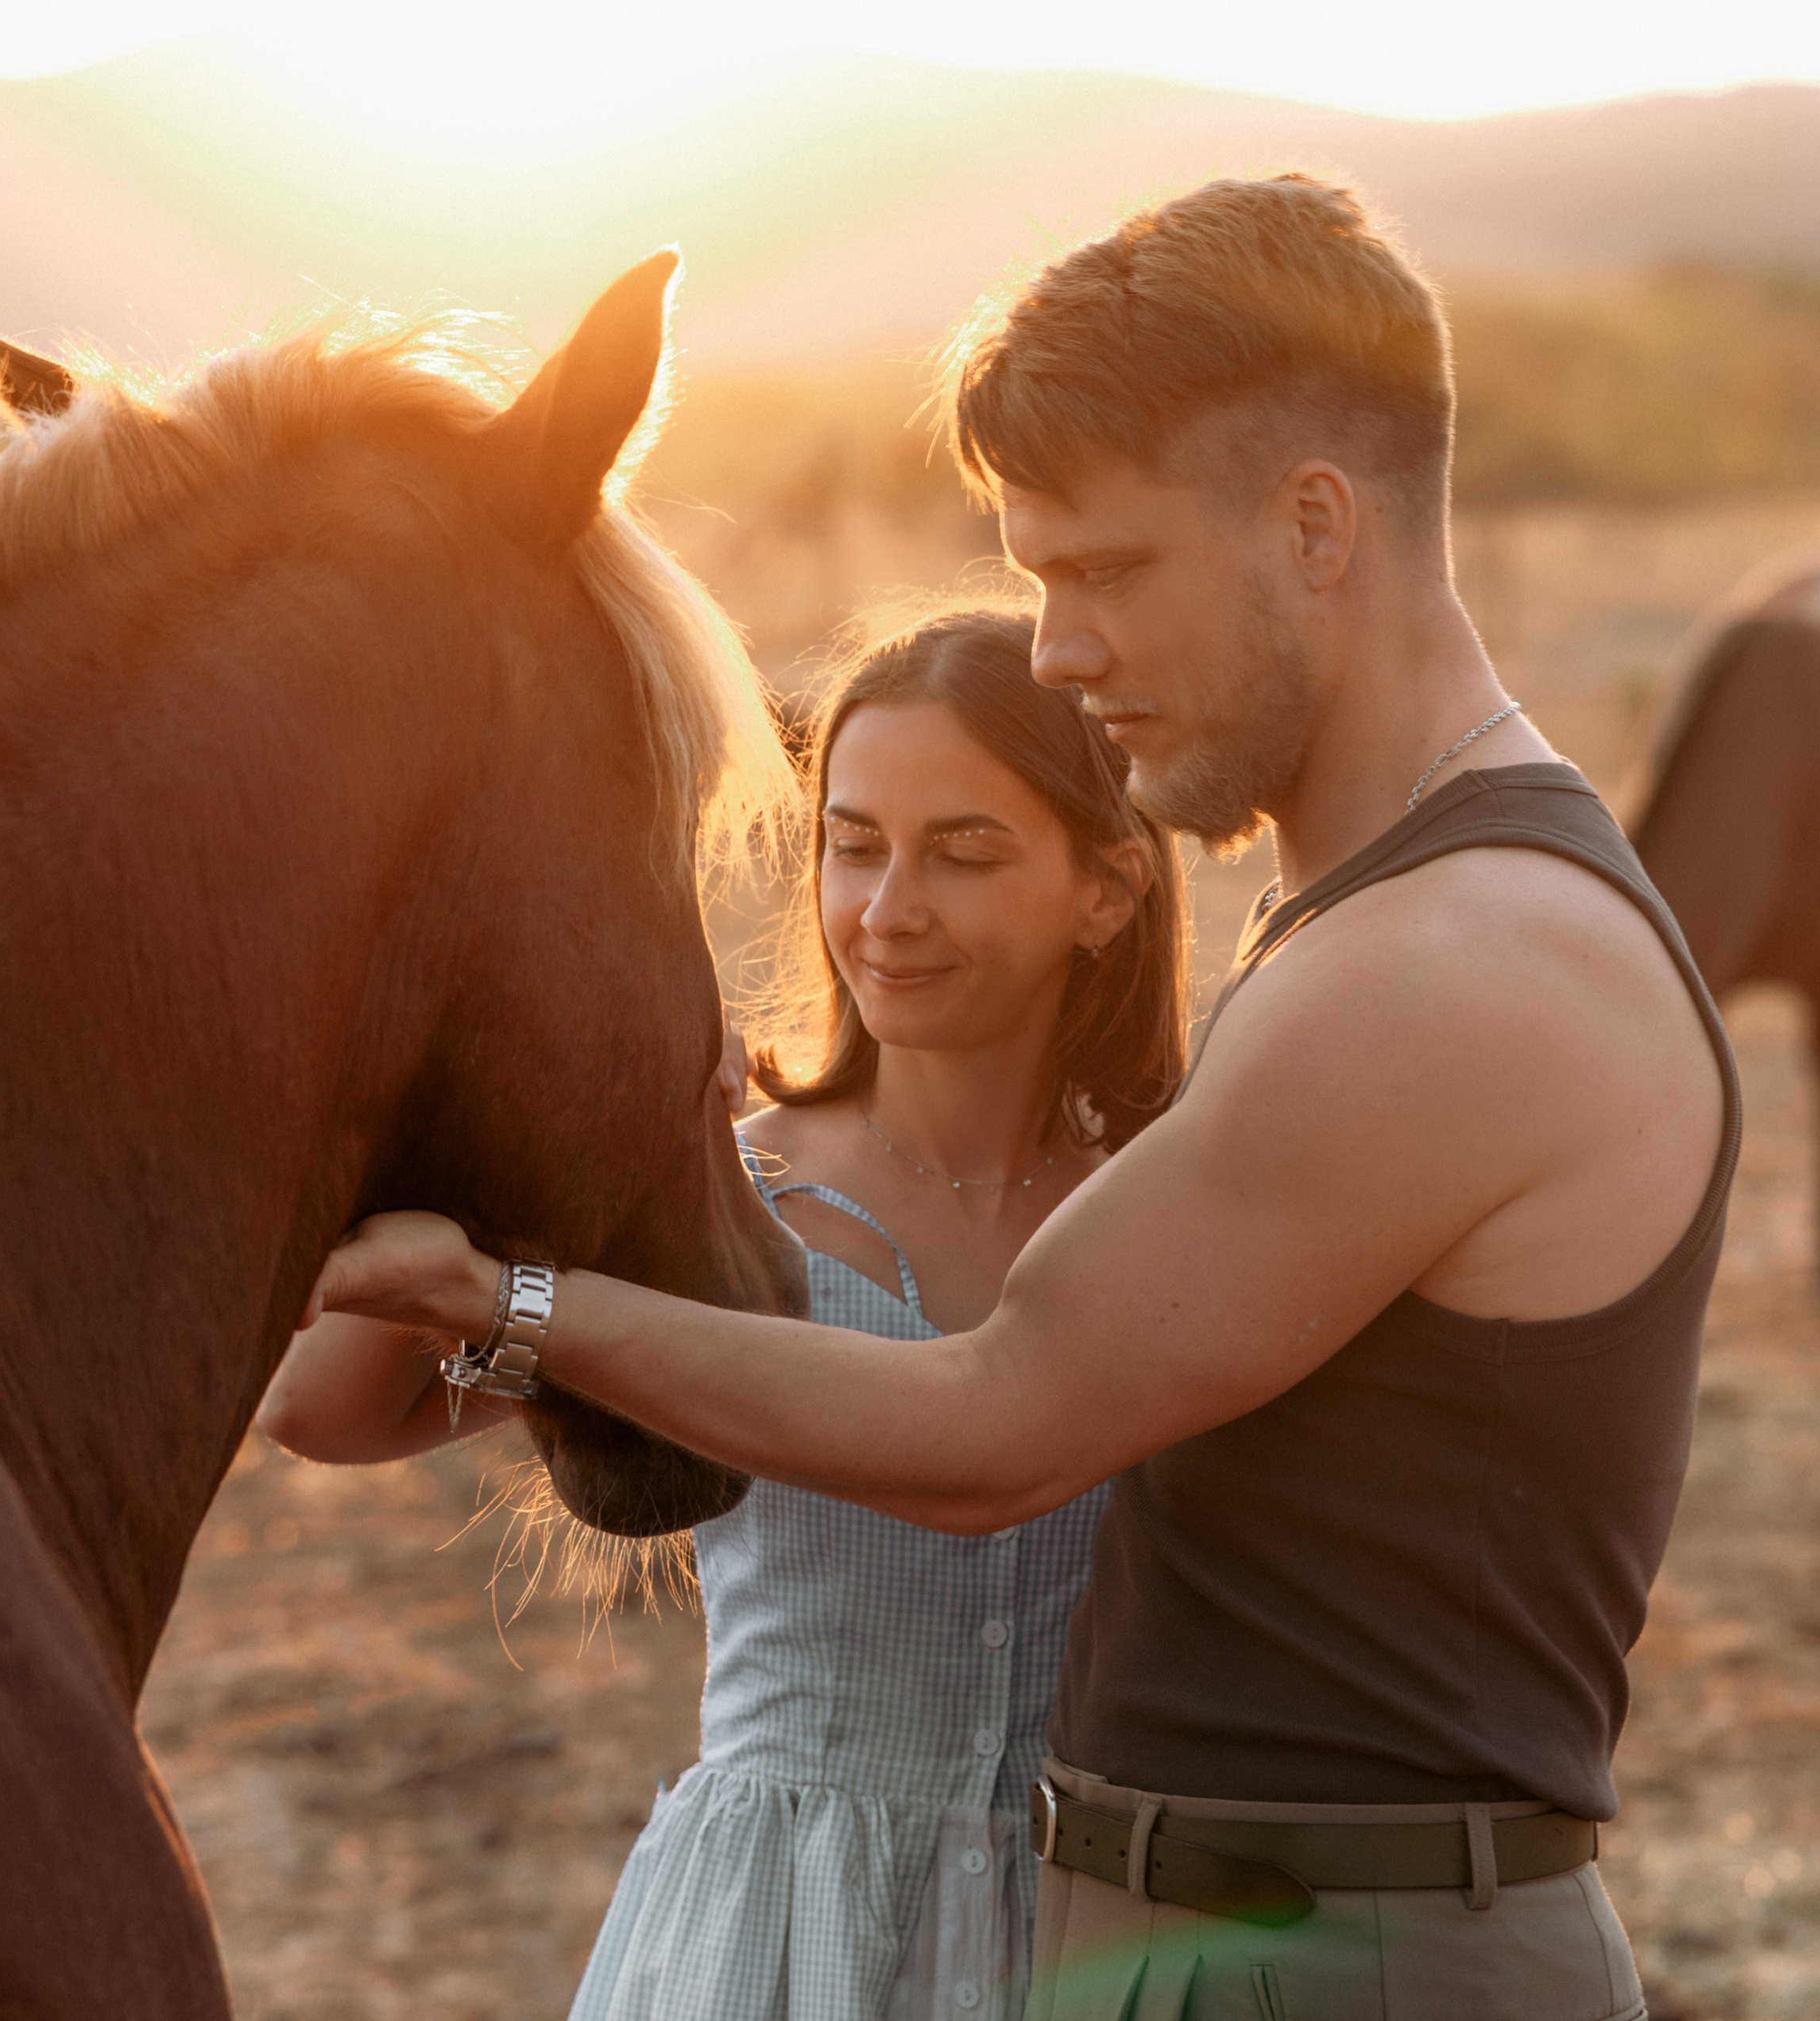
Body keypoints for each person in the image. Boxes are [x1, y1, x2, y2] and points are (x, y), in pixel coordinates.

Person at [305, 175, 1733, 2020]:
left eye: (1104, 571)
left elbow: (992, 1426)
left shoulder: (1444, 960)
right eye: (1035, 575)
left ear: (1315, 525)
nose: (1054, 648)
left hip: (1343, 1966)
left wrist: (508, 1307)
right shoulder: (1393, 916)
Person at [266, 608, 1188, 2021]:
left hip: (1097, 1934)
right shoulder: (722, 1187)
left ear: (1109, 889)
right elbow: (322, 1409)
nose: (886, 909)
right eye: (855, 842)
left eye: (964, 850)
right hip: (775, 1924)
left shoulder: (1173, 1212)